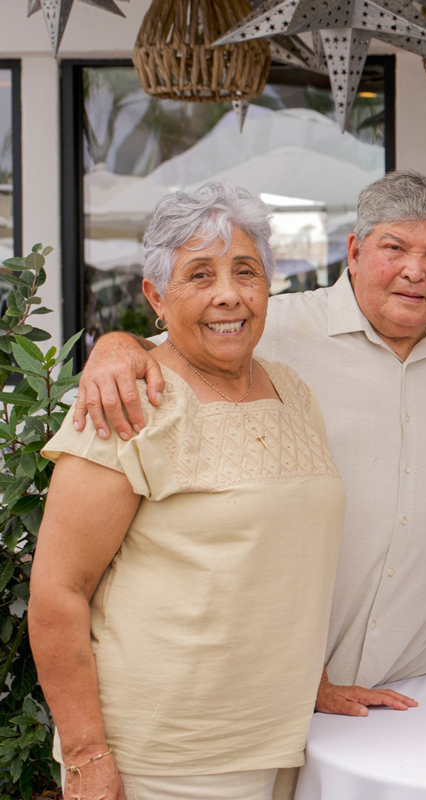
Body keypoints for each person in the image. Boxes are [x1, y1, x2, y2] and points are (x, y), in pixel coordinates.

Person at [72, 170, 426, 718]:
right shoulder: (272, 325)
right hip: (283, 691)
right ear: (354, 252)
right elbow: (167, 344)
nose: (414, 271)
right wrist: (114, 347)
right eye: (394, 248)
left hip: (414, 681)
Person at [29, 184, 355, 800]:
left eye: (245, 271)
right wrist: (85, 758)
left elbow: (281, 561)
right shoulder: (127, 401)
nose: (227, 294)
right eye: (198, 274)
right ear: (155, 295)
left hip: (289, 740)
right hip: (168, 758)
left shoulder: (292, 391)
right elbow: (57, 593)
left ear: (268, 286)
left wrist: (318, 684)